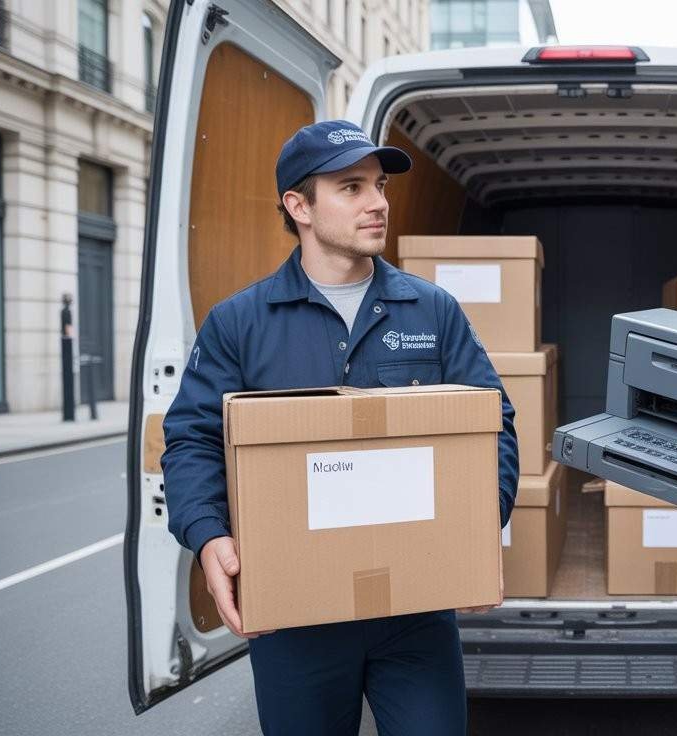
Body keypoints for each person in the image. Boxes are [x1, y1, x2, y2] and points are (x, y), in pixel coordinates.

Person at [161, 120, 519, 735]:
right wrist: (208, 533)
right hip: (295, 616)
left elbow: (494, 424)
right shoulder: (240, 322)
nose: (377, 202)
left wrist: (480, 525)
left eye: (379, 186)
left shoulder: (431, 310)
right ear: (298, 206)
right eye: (352, 188)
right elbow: (192, 439)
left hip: (416, 610)